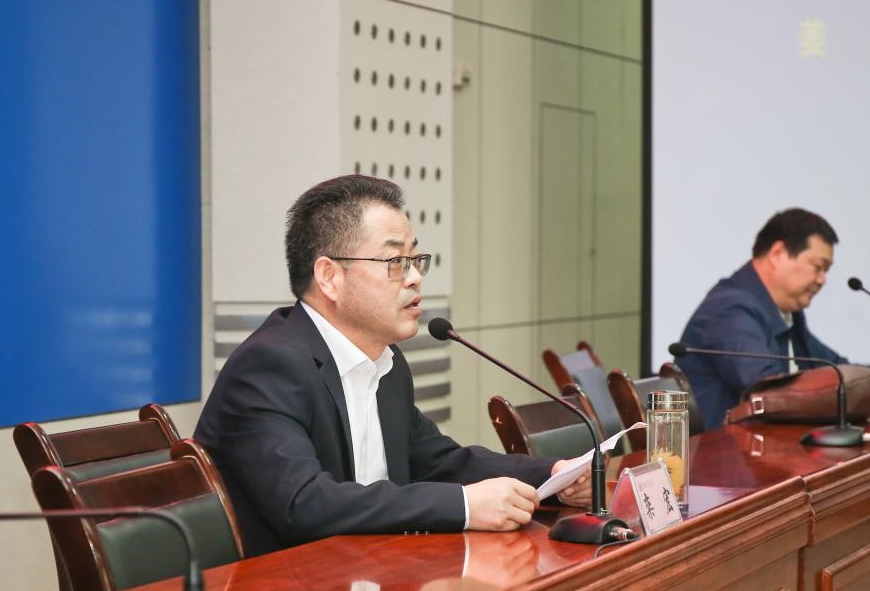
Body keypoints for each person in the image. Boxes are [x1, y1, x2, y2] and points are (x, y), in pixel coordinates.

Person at [195, 175, 591, 557]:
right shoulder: (269, 366)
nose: (416, 278)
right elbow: (304, 503)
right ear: (329, 277)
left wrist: (554, 476)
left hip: (366, 573)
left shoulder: (385, 362)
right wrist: (464, 505)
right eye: (396, 261)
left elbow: (439, 462)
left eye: (415, 259)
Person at [676, 208, 870, 430]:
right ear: (778, 254)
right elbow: (767, 391)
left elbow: (830, 366)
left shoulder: (787, 312)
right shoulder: (729, 310)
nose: (822, 280)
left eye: (826, 271)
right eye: (818, 267)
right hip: (716, 455)